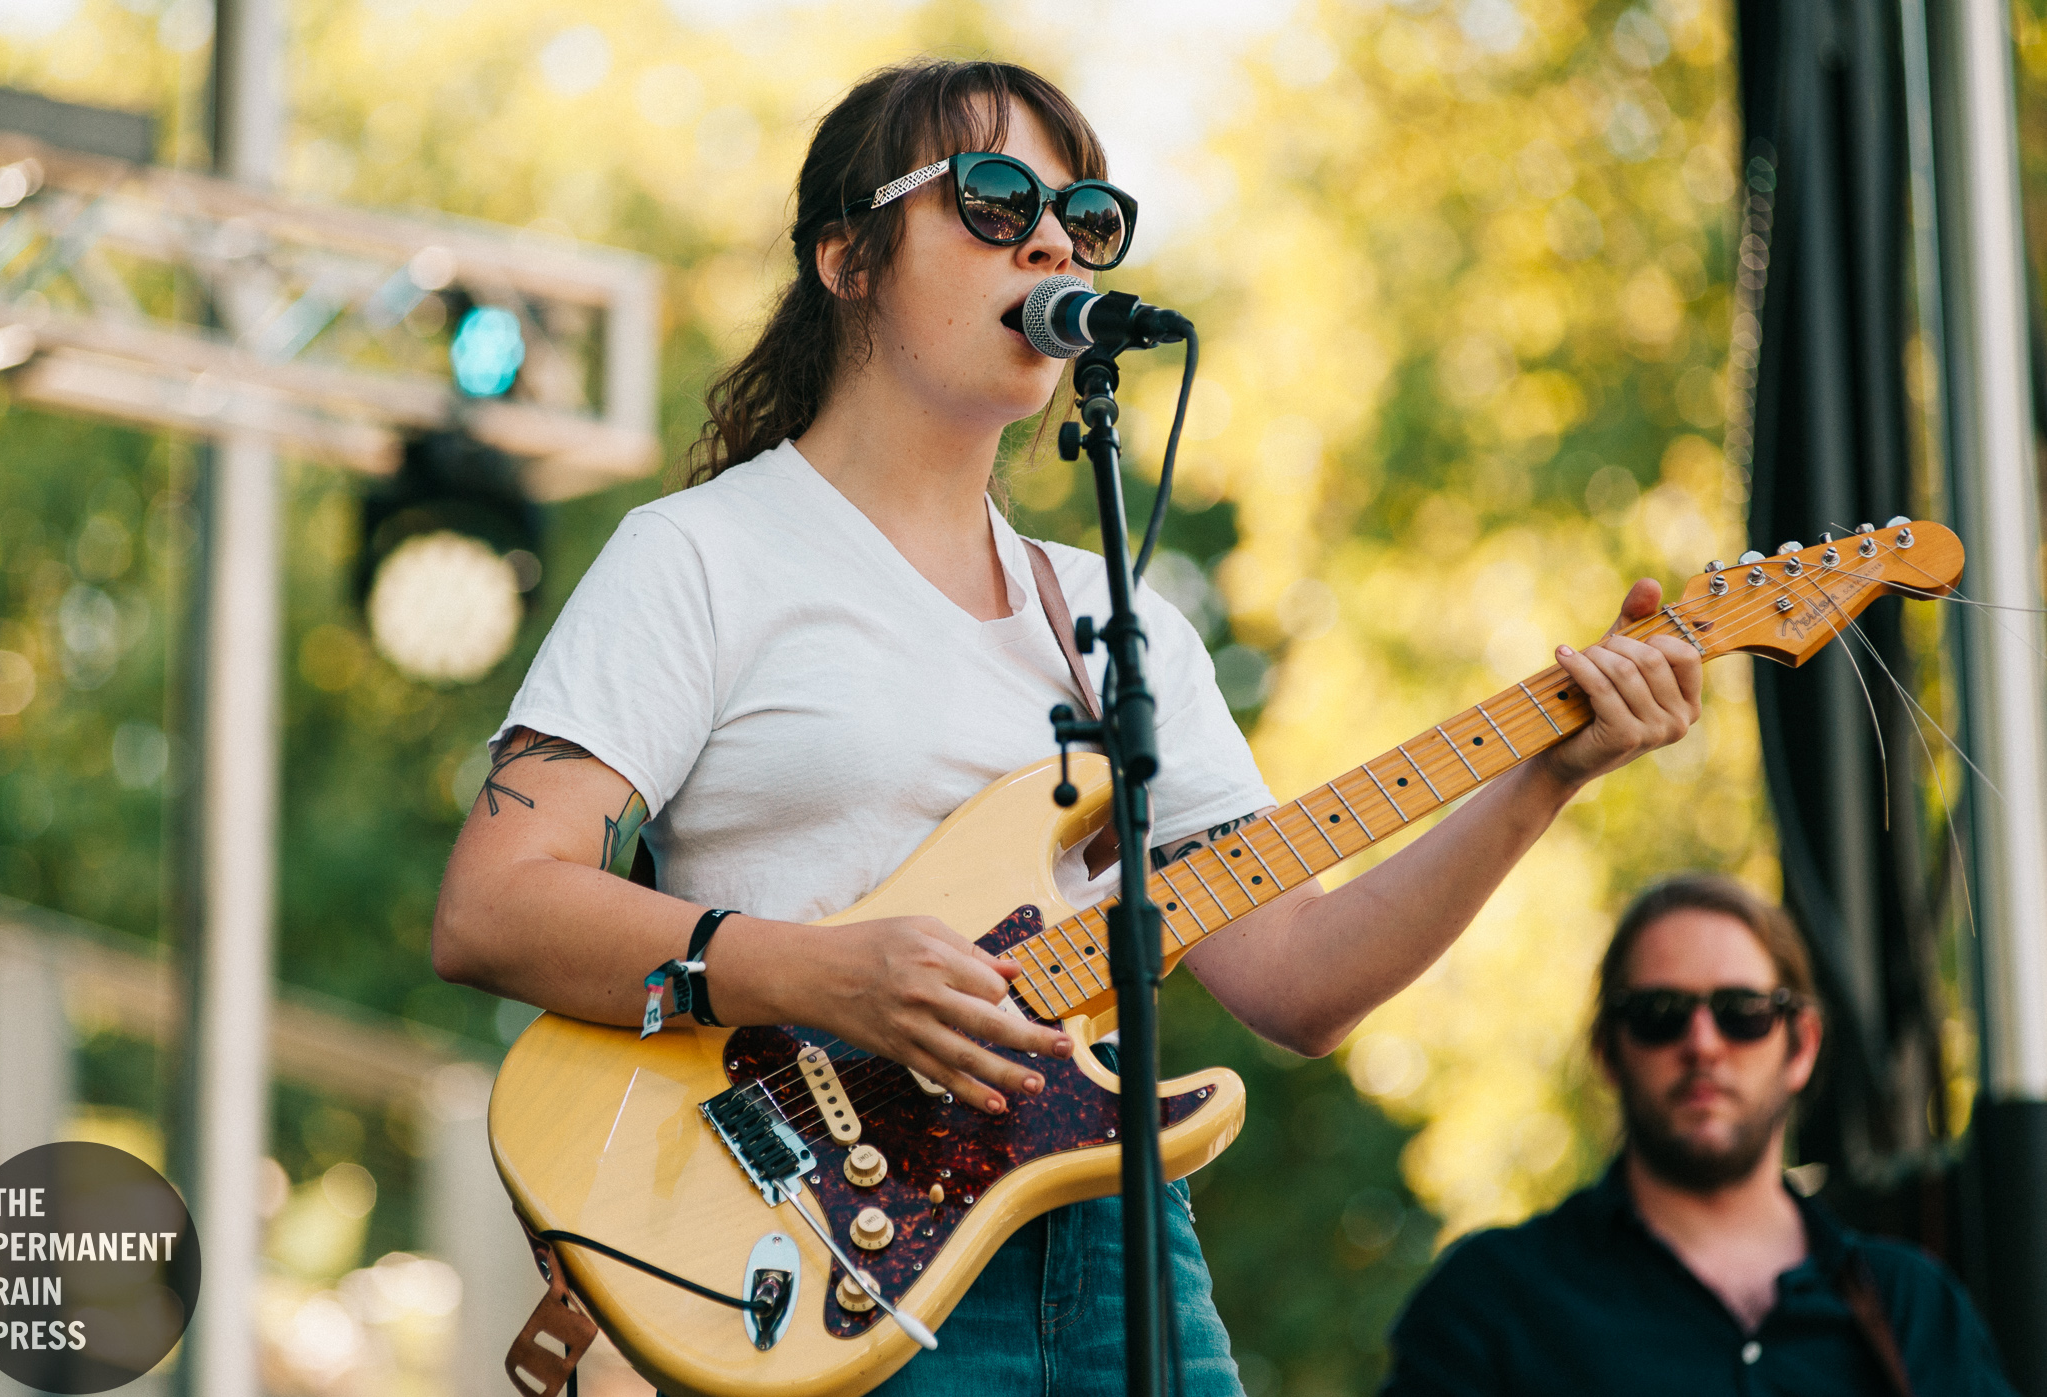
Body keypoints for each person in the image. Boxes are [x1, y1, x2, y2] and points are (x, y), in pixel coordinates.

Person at [431, 57, 1702, 1396]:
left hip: (1114, 1245)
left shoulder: (1117, 616)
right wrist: (822, 973)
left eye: (1084, 217)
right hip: (828, 1256)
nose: (1049, 238)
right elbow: (495, 908)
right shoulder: (702, 557)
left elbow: (1300, 979)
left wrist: (1543, 777)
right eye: (990, 198)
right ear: (844, 256)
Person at [1383, 874, 2014, 1396]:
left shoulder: (1914, 1308)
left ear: (1801, 1046)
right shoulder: (1493, 1302)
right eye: (1661, 1015)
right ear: (1609, 1051)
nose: (1703, 1044)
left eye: (1743, 1012)